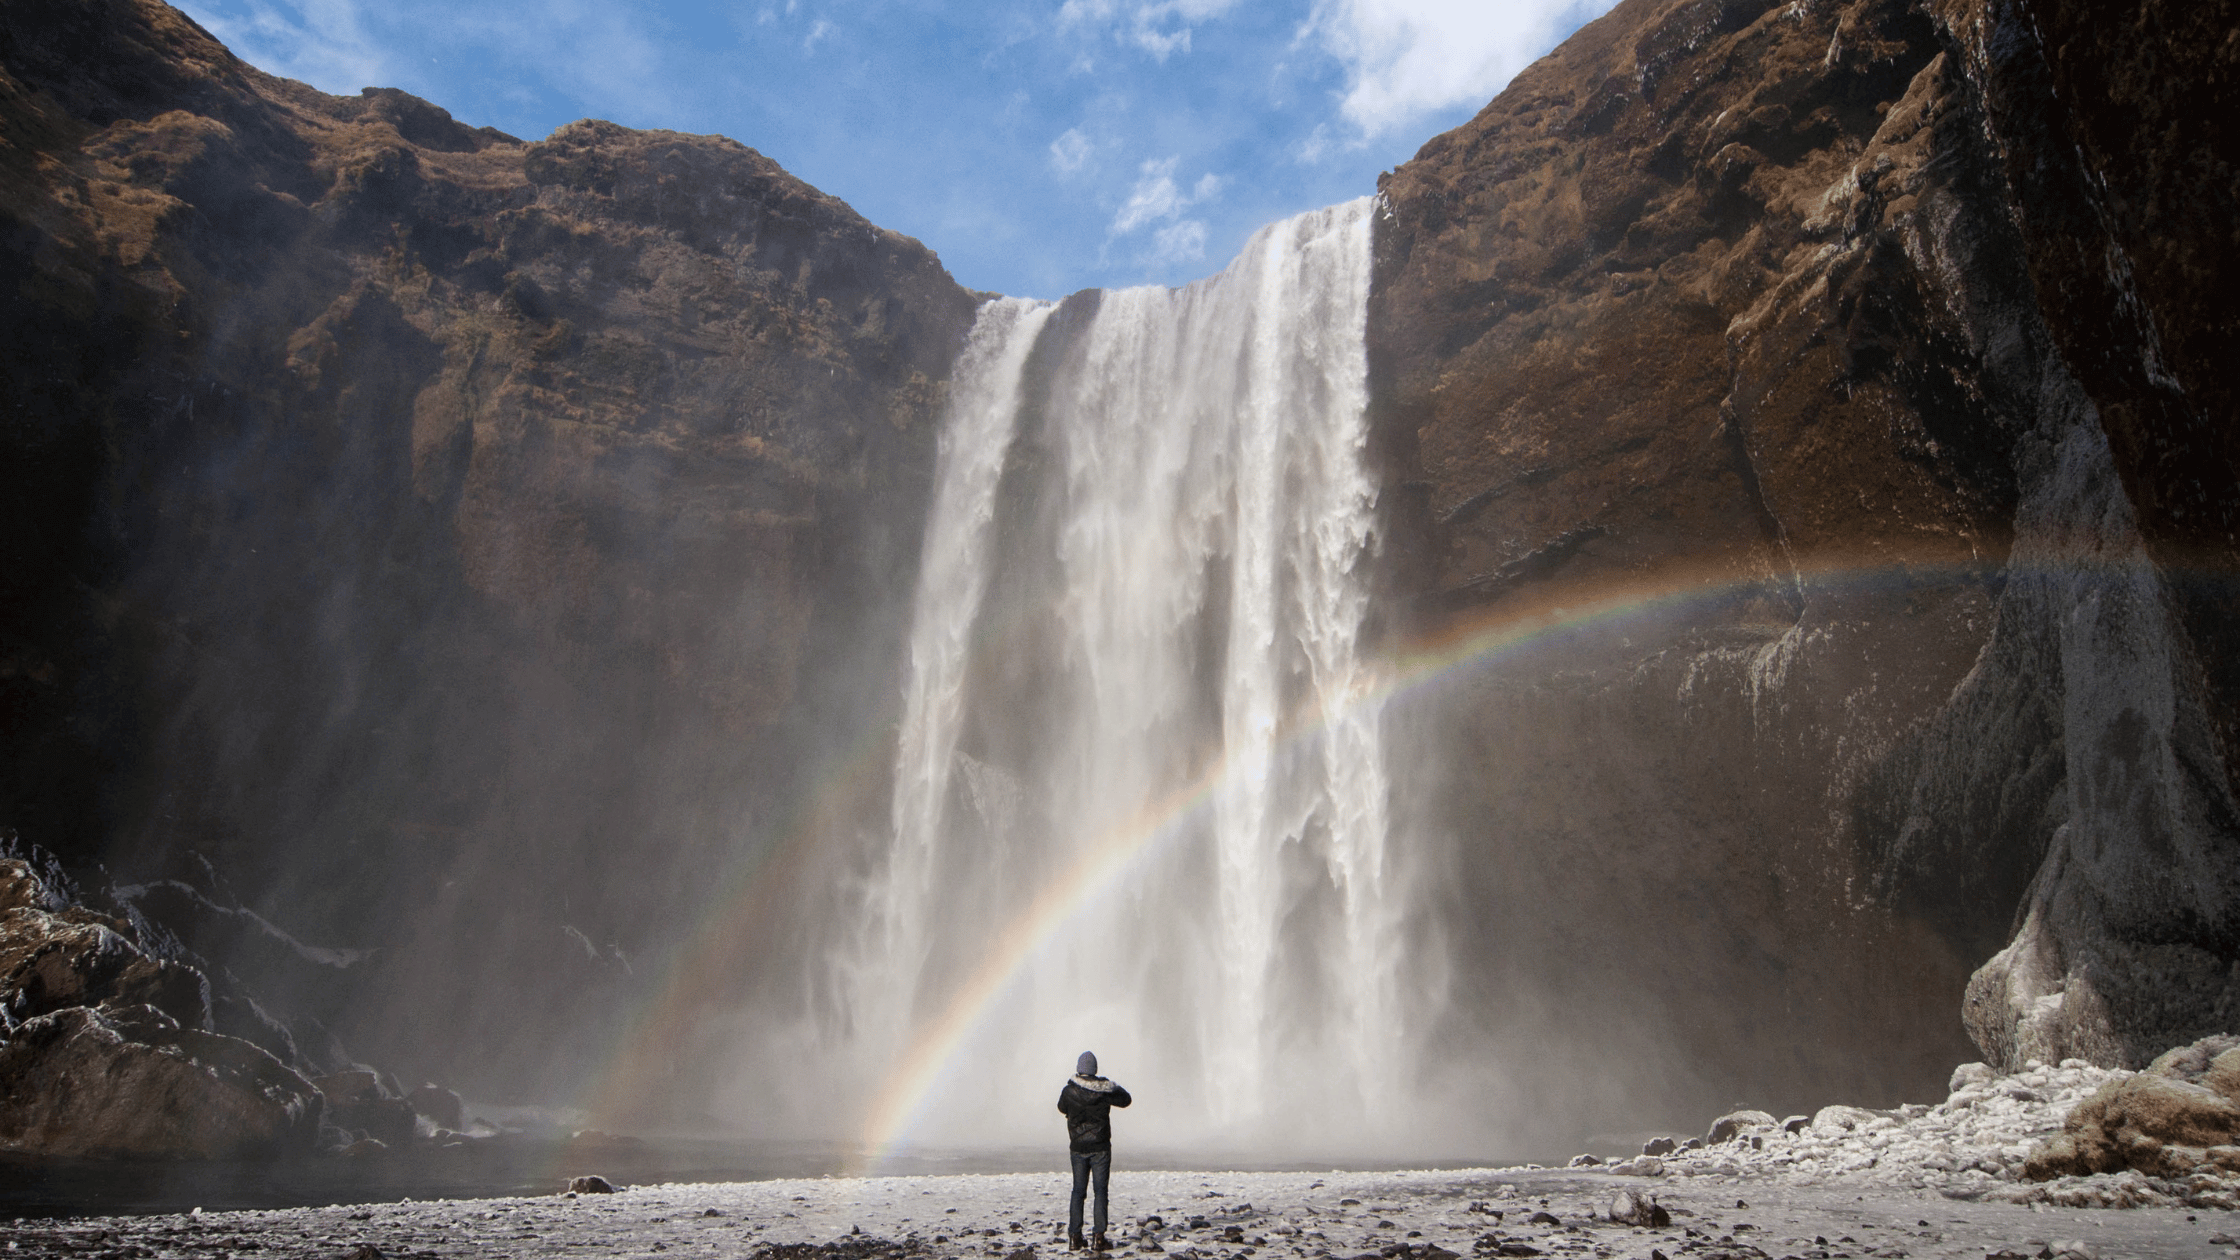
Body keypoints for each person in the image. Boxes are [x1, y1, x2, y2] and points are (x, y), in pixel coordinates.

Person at [1057, 1050, 1132, 1251]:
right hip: (1100, 1148)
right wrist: (1111, 1085)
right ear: (1094, 1070)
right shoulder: (1103, 1090)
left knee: (1078, 1191)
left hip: (1078, 1148)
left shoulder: (1068, 1091)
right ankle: (1099, 1238)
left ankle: (1074, 1237)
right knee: (1100, 1192)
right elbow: (1126, 1100)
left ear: (1078, 1069)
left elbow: (1061, 1108)